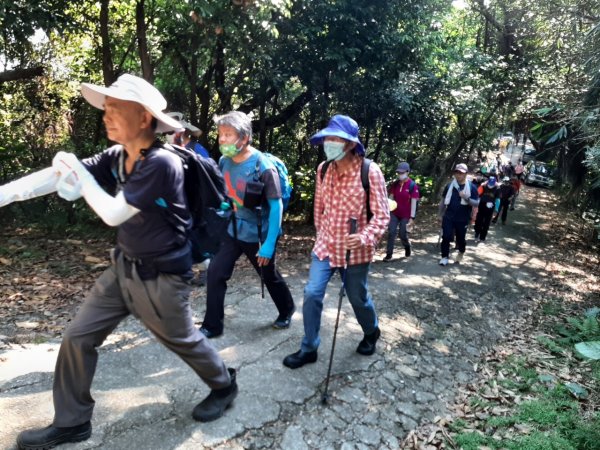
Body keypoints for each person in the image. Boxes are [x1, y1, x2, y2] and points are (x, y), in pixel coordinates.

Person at [0, 74, 237, 450]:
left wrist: (78, 174)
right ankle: (72, 422)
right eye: (105, 108)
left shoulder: (162, 164)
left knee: (183, 340)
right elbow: (58, 176)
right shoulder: (117, 156)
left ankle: (224, 384)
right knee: (78, 337)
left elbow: (112, 213)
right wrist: (6, 194)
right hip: (122, 268)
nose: (106, 116)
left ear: (144, 118)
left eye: (116, 109)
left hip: (162, 277)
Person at [282, 115, 389, 369]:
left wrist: (364, 237)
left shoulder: (369, 171)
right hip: (326, 246)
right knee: (312, 293)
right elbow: (320, 207)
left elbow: (383, 215)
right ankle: (309, 348)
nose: (329, 143)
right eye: (327, 138)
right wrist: (322, 232)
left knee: (357, 297)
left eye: (336, 139)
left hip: (356, 251)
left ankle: (371, 330)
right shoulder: (324, 169)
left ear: (351, 144)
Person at [199, 111, 295, 338]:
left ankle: (287, 309)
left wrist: (270, 244)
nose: (222, 139)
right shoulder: (224, 161)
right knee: (215, 273)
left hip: (258, 234)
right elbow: (225, 194)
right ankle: (212, 325)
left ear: (244, 138)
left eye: (228, 134)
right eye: (220, 134)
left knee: (268, 275)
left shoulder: (263, 167)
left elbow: (276, 207)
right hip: (232, 229)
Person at [438, 163, 480, 266]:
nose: (458, 175)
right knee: (446, 236)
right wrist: (440, 215)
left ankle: (461, 251)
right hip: (449, 216)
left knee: (460, 238)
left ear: (465, 174)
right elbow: (443, 201)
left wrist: (466, 197)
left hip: (463, 217)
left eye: (461, 173)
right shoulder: (450, 186)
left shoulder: (471, 187)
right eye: (457, 172)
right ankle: (444, 257)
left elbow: (476, 203)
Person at [384, 161, 420, 260]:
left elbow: (414, 202)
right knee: (391, 232)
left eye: (402, 172)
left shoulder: (412, 185)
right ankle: (389, 254)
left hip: (406, 215)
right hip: (394, 213)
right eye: (399, 173)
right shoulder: (395, 184)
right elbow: (390, 198)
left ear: (407, 172)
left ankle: (407, 246)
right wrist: (386, 210)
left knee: (402, 234)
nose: (400, 174)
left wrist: (412, 218)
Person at [474, 176, 500, 243]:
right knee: (479, 220)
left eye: (492, 185)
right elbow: (477, 194)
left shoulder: (497, 188)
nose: (490, 186)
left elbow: (497, 199)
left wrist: (496, 209)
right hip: (482, 204)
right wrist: (477, 202)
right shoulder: (483, 186)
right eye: (489, 184)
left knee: (487, 222)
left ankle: (483, 237)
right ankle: (477, 233)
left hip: (490, 206)